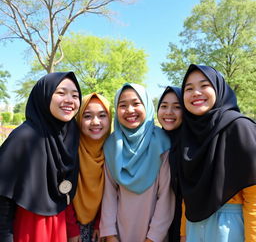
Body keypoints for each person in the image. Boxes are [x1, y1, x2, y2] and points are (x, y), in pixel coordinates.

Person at [178, 64, 256, 242]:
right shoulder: (188, 135)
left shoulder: (240, 127)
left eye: (204, 85)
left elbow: (254, 196)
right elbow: (188, 194)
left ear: (219, 88)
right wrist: (183, 233)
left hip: (230, 226)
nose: (196, 92)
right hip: (193, 226)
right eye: (189, 88)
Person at [0, 72, 82, 242]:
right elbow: (3, 200)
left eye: (75, 95)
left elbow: (62, 190)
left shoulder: (69, 136)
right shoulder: (23, 138)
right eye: (60, 93)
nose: (69, 100)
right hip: (27, 229)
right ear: (44, 95)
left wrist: (71, 228)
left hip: (58, 227)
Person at [100, 82, 175, 242]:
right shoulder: (112, 144)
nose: (129, 110)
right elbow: (109, 193)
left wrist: (153, 237)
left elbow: (166, 197)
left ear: (147, 106)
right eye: (122, 105)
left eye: (136, 103)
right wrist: (110, 234)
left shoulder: (161, 142)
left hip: (153, 233)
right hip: (119, 231)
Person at [66, 93, 112, 242]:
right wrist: (72, 229)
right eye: (87, 116)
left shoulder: (112, 150)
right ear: (78, 119)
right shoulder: (68, 150)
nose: (95, 122)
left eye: (102, 115)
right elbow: (62, 193)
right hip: (68, 226)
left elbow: (109, 194)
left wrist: (100, 223)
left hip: (100, 227)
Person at [157, 86, 183, 242]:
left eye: (177, 107)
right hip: (156, 223)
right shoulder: (154, 142)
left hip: (185, 222)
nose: (168, 112)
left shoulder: (191, 145)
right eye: (164, 106)